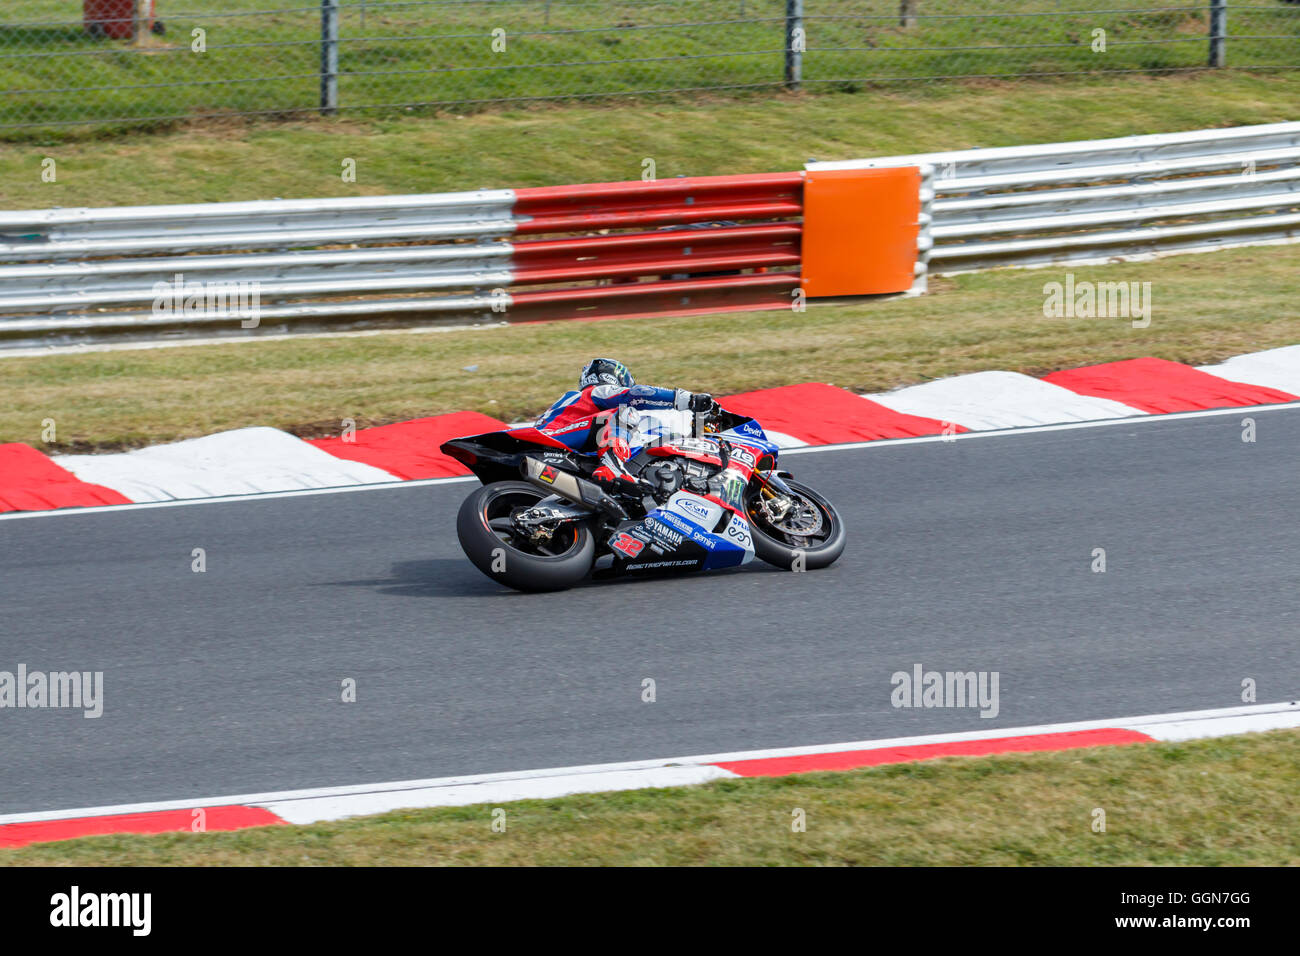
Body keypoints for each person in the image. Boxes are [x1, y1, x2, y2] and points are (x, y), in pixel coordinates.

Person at [535, 358, 715, 487]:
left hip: (554, 442)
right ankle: (613, 464)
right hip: (555, 438)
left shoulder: (574, 402)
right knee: (624, 412)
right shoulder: (596, 391)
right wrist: (686, 400)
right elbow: (634, 395)